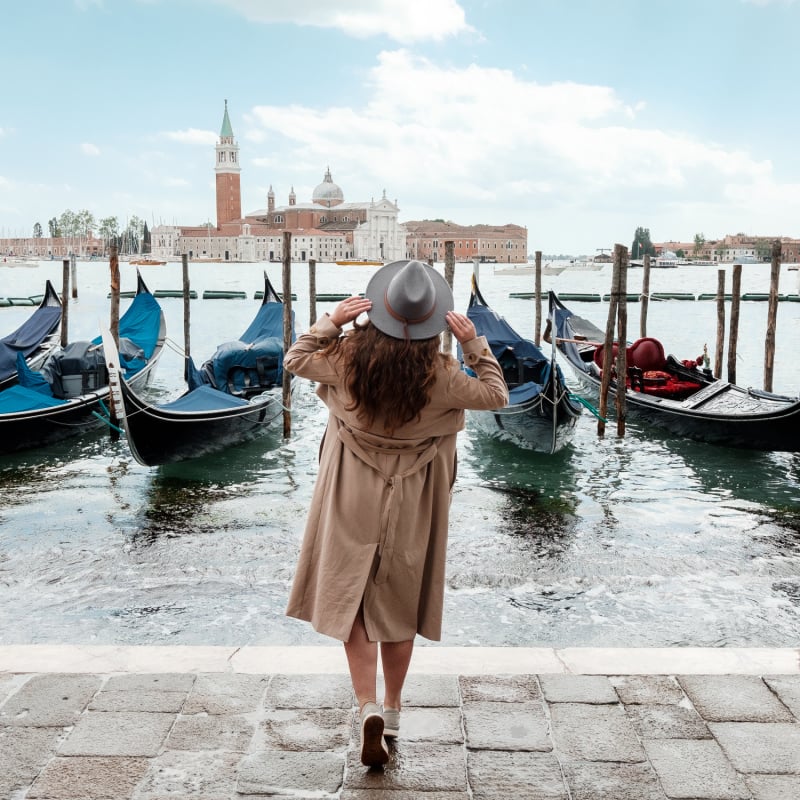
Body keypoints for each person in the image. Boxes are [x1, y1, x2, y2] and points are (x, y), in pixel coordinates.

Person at [284, 259, 508, 767]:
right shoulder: (445, 376)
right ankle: (394, 707)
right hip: (414, 497)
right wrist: (474, 343)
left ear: (378, 310)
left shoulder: (344, 360)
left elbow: (295, 359)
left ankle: (366, 705)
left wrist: (332, 321)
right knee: (400, 600)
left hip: (348, 491)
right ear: (434, 321)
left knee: (351, 598)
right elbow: (497, 395)